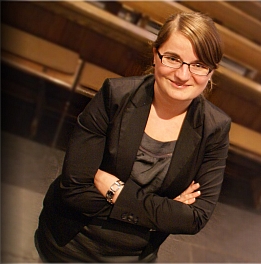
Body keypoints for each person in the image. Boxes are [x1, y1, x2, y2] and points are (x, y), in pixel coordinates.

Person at [34, 11, 230, 262]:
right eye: (172, 58)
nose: (183, 75)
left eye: (199, 65)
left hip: (133, 255)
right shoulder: (114, 96)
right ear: (155, 54)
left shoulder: (215, 128)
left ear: (211, 72)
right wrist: (161, 212)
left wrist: (115, 190)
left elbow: (194, 218)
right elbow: (74, 190)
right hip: (70, 242)